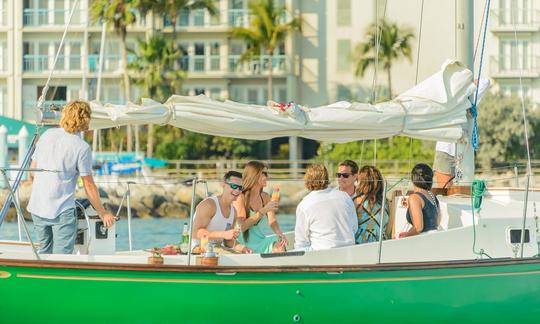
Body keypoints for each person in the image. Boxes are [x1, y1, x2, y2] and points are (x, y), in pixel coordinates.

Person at [27, 100, 115, 254]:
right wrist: (102, 212)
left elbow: (32, 171)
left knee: (43, 255)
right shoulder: (82, 147)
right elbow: (88, 185)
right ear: (85, 120)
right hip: (61, 210)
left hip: (37, 206)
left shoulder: (46, 135)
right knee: (62, 259)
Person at [434, 78, 491, 187]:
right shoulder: (445, 101)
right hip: (446, 150)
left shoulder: (469, 99)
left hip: (464, 151)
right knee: (445, 190)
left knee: (463, 190)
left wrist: (467, 81)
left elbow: (485, 82)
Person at [294, 163, 358, 251]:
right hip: (349, 251)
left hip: (322, 254)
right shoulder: (344, 196)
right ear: (326, 178)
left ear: (307, 180)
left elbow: (301, 242)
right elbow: (354, 227)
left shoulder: (304, 205)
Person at [234, 161, 287, 253]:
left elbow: (272, 220)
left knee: (280, 246)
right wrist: (264, 210)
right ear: (254, 175)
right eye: (264, 174)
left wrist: (279, 233)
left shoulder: (265, 197)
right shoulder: (240, 197)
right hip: (241, 243)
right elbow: (242, 227)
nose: (267, 177)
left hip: (260, 241)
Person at [192, 170, 251, 253]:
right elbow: (195, 233)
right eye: (234, 186)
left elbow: (228, 241)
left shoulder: (234, 212)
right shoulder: (209, 205)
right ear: (223, 185)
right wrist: (223, 234)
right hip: (199, 248)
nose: (237, 190)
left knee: (245, 255)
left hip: (217, 249)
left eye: (240, 188)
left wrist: (241, 247)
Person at [399, 163, 440, 238]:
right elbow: (437, 222)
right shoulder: (433, 196)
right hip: (434, 238)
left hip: (422, 241)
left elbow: (418, 228)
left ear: (413, 178)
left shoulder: (414, 198)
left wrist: (405, 237)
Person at [353, 165, 389, 243]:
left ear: (363, 182)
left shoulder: (356, 202)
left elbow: (351, 227)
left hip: (361, 244)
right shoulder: (386, 202)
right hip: (382, 244)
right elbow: (388, 229)